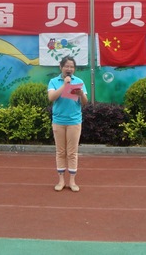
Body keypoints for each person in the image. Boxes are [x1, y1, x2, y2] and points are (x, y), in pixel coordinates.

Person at [47, 56, 88, 192]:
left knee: (72, 152)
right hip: (58, 121)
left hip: (74, 121)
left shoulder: (79, 81)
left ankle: (72, 181)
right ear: (61, 67)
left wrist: (81, 94)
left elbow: (84, 102)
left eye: (72, 66)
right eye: (67, 66)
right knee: (60, 152)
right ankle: (61, 180)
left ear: (74, 69)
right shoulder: (53, 81)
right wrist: (65, 85)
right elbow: (51, 97)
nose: (69, 69)